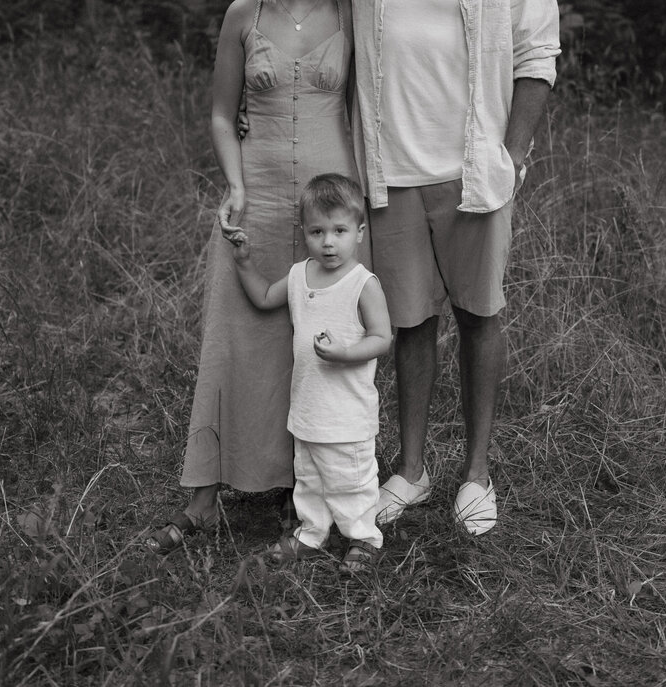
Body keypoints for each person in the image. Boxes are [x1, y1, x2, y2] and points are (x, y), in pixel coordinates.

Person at [146, 0, 367, 553]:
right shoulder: (243, 14)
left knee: (321, 341)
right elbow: (223, 115)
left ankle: (310, 488)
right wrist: (236, 186)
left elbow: (367, 114)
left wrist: (364, 208)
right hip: (260, 199)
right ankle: (202, 496)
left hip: (332, 210)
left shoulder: (351, 13)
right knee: (234, 336)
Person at [349, 0, 561, 534]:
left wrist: (510, 159)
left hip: (473, 169)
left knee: (479, 315)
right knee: (410, 322)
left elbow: (536, 57)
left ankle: (476, 475)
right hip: (390, 169)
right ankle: (412, 470)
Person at [230, 173, 391, 572]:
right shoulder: (300, 275)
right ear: (304, 232)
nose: (329, 241)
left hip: (347, 412)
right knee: (311, 478)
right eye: (318, 231)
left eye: (339, 230)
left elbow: (382, 337)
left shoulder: (362, 284)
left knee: (349, 478)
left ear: (359, 232)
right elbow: (266, 297)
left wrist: (346, 353)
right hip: (307, 408)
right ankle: (311, 533)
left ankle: (362, 537)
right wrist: (245, 262)